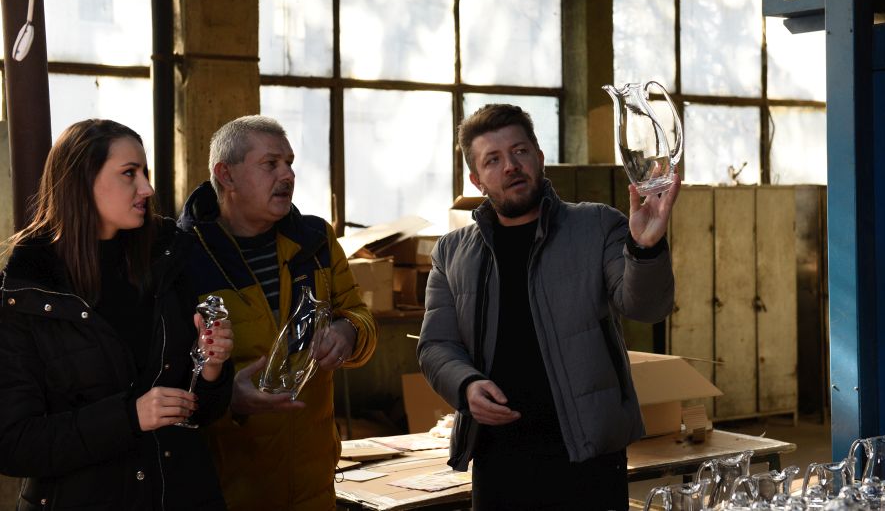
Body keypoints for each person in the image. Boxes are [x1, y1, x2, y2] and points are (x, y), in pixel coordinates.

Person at [418, 103, 680, 510]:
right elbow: (436, 345)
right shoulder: (451, 253)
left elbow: (647, 307)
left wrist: (645, 248)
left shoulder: (596, 226)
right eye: (493, 159)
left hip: (588, 458)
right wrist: (465, 385)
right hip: (498, 460)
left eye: (520, 151)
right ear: (476, 180)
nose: (511, 165)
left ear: (539, 158)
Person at [0, 119, 235, 510]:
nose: (147, 189)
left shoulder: (167, 261)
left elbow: (202, 414)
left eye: (145, 172)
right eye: (129, 173)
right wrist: (129, 417)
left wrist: (210, 368)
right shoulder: (26, 292)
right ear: (81, 181)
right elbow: (13, 444)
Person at [178, 114, 378, 510]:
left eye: (289, 163)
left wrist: (349, 332)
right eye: (270, 164)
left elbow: (359, 314)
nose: (287, 175)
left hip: (314, 486)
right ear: (226, 175)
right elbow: (165, 374)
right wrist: (225, 398)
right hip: (228, 491)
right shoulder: (185, 257)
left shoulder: (315, 241)